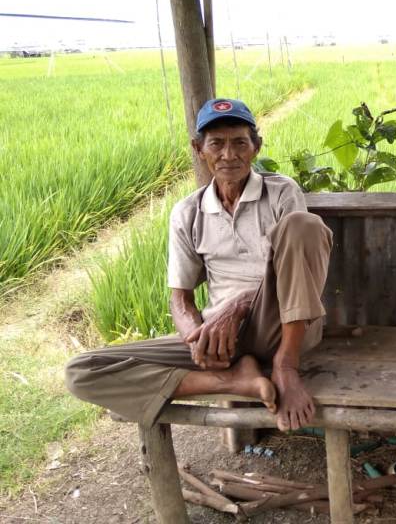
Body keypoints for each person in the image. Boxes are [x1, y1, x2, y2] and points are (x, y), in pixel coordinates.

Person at [65, 98, 332, 432]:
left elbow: (294, 277)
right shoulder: (187, 212)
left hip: (283, 327)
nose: (228, 155)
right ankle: (232, 381)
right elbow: (180, 298)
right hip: (223, 338)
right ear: (198, 148)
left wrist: (237, 306)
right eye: (216, 144)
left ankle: (284, 366)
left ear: (256, 147)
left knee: (301, 225)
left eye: (239, 143)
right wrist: (197, 340)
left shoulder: (280, 193)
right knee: (83, 371)